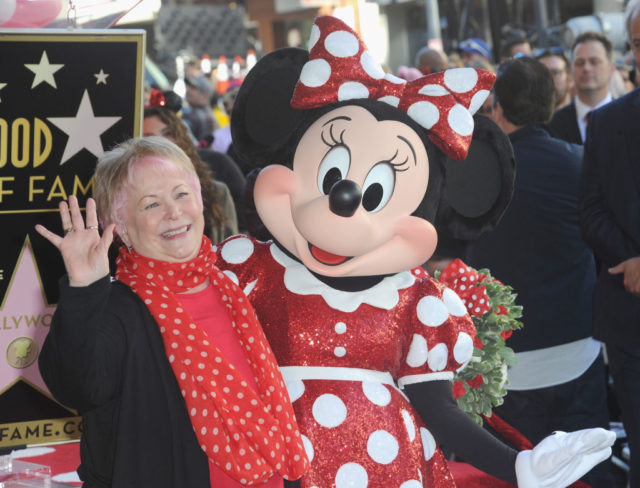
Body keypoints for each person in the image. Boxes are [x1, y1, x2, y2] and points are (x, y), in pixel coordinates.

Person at [214, 15, 615, 488]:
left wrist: (519, 466)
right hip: (281, 467)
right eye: (332, 177)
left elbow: (438, 409)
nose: (343, 199)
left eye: (377, 189)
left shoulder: (416, 299)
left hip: (393, 468)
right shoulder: (254, 269)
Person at [35, 137, 309, 487]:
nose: (174, 212)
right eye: (151, 205)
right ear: (122, 228)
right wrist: (85, 288)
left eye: (181, 194)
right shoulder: (116, 307)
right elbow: (78, 387)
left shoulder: (232, 288)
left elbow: (272, 408)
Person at [463, 56, 614, 487]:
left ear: (498, 108)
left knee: (510, 475)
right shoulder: (578, 163)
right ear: (552, 105)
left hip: (499, 361)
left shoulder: (477, 172)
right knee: (585, 471)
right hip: (574, 353)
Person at [580, 2, 640, 486]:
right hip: (630, 317)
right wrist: (629, 258)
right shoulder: (605, 123)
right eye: (639, 43)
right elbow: (591, 212)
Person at [143, 105, 243, 240]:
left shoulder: (218, 172)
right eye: (149, 137)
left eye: (168, 133)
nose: (162, 142)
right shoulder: (133, 196)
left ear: (180, 134)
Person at [548, 31, 615, 144]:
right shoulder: (552, 124)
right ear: (571, 70)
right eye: (579, 63)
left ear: (611, 68)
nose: (586, 68)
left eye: (594, 62)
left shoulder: (631, 118)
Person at [182, 75, 216, 143]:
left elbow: (203, 148)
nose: (188, 90)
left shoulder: (204, 117)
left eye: (193, 88)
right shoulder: (193, 111)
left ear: (204, 96)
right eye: (188, 87)